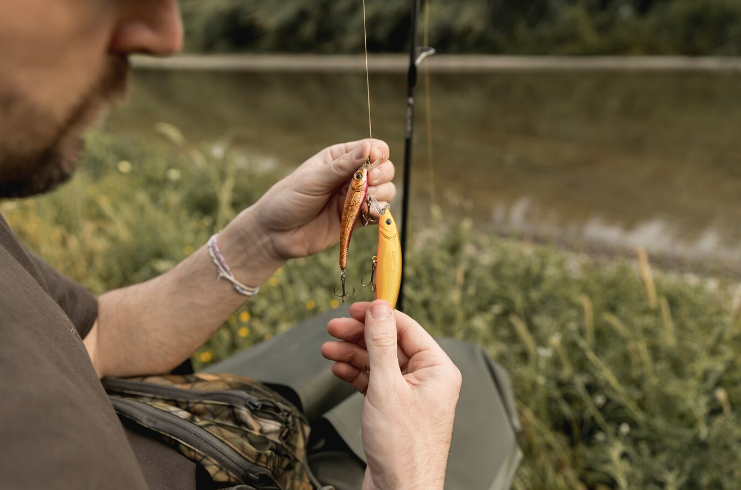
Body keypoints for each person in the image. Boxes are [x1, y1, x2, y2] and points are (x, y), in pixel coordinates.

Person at [0, 1, 520, 489]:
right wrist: (409, 477)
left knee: (421, 356)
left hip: (202, 430)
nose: (166, 35)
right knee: (468, 375)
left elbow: (94, 339)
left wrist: (262, 240)